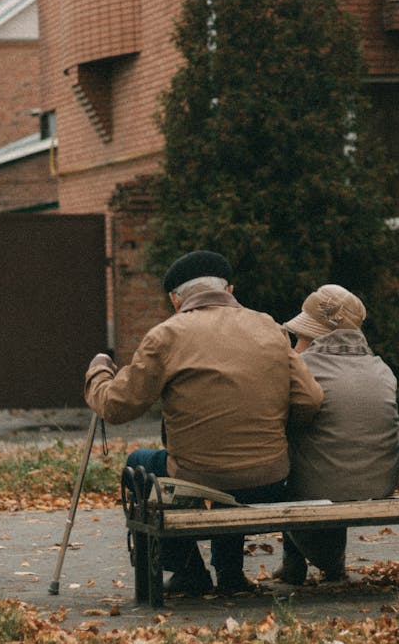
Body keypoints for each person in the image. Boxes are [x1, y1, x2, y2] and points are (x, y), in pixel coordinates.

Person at [84, 250, 323, 596]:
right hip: (271, 478)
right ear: (229, 288)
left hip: (198, 481)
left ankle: (188, 571)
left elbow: (117, 406)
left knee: (139, 463)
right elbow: (310, 400)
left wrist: (98, 371)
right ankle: (229, 574)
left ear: (174, 299)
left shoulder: (166, 336)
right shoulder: (269, 327)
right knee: (234, 468)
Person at [275, 283, 399, 585]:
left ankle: (300, 561)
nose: (297, 344)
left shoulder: (303, 369)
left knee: (281, 456)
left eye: (302, 336)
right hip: (381, 481)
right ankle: (317, 563)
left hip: (324, 487)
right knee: (332, 445)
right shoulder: (381, 368)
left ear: (318, 335)